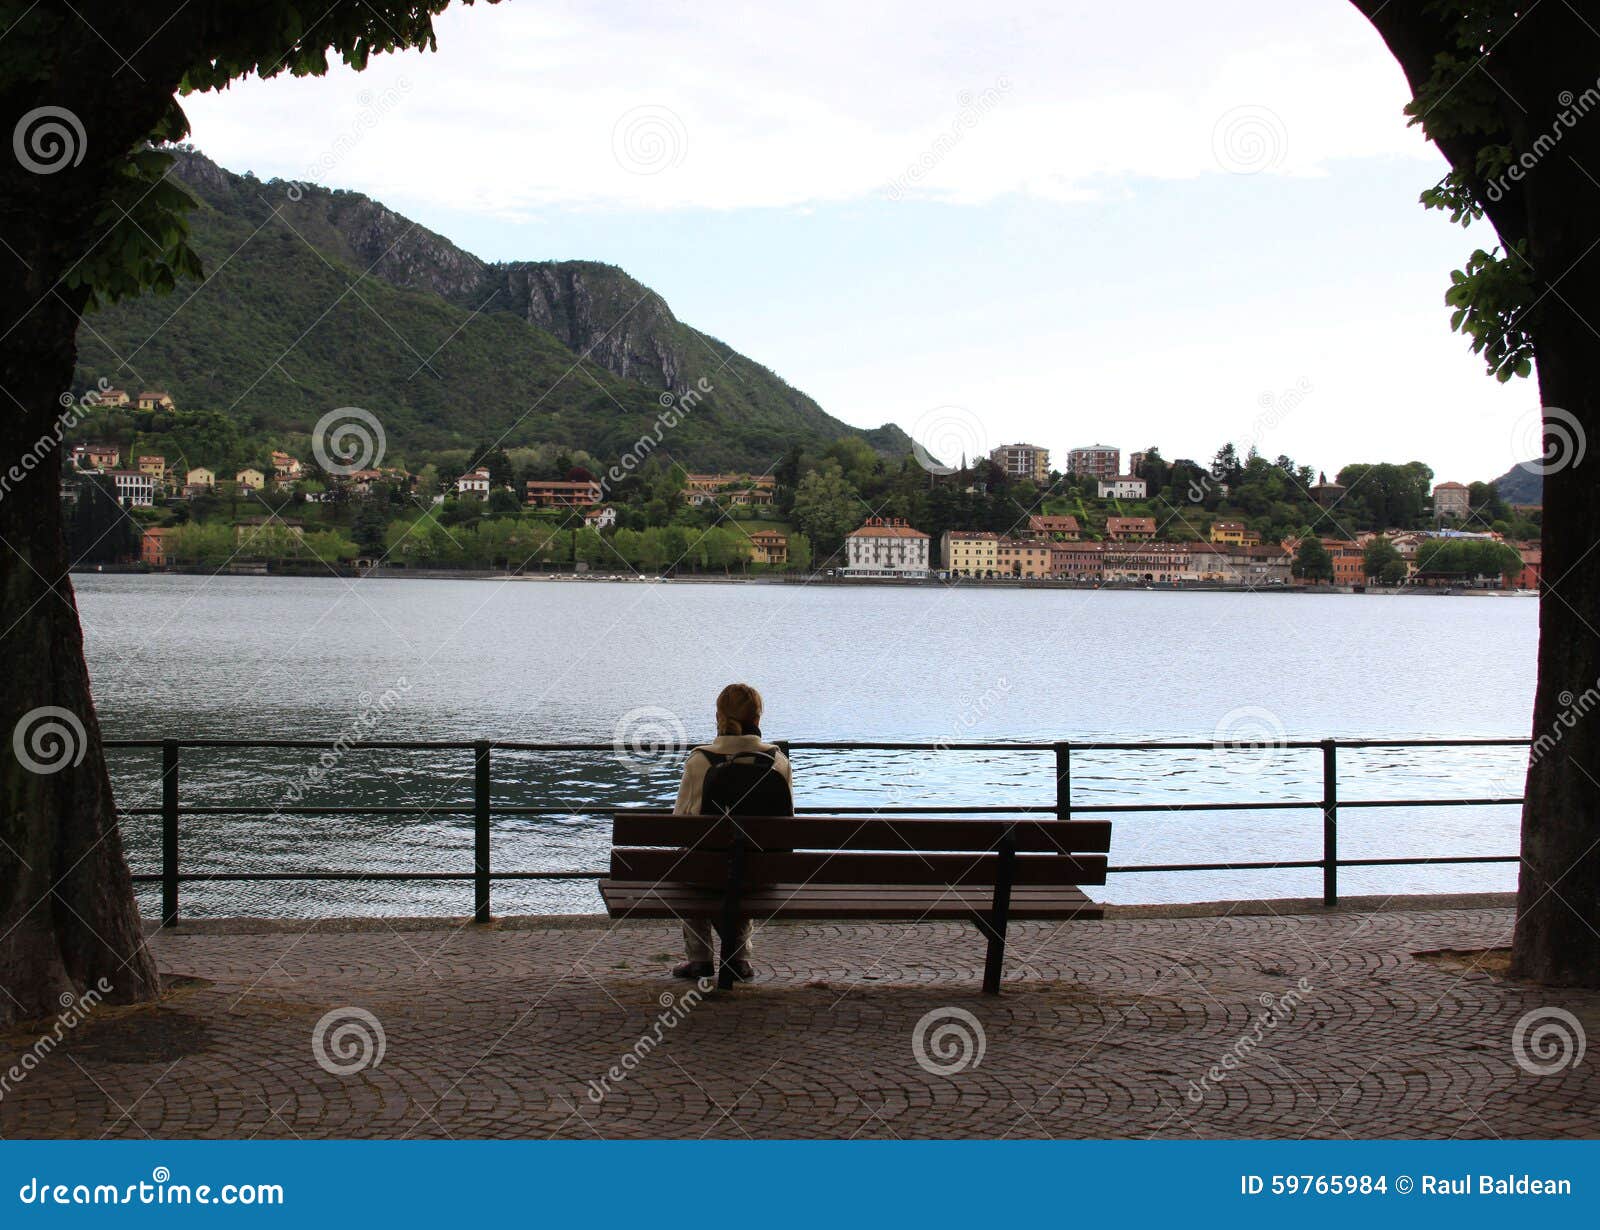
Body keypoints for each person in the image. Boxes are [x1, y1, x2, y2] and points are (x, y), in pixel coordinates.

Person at [671, 683, 793, 981]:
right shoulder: (778, 762)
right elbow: (786, 825)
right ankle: (738, 960)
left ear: (719, 716)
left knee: (694, 860)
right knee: (746, 857)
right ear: (758, 717)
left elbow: (679, 825)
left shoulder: (700, 760)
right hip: (761, 876)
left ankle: (699, 959)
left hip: (706, 876)